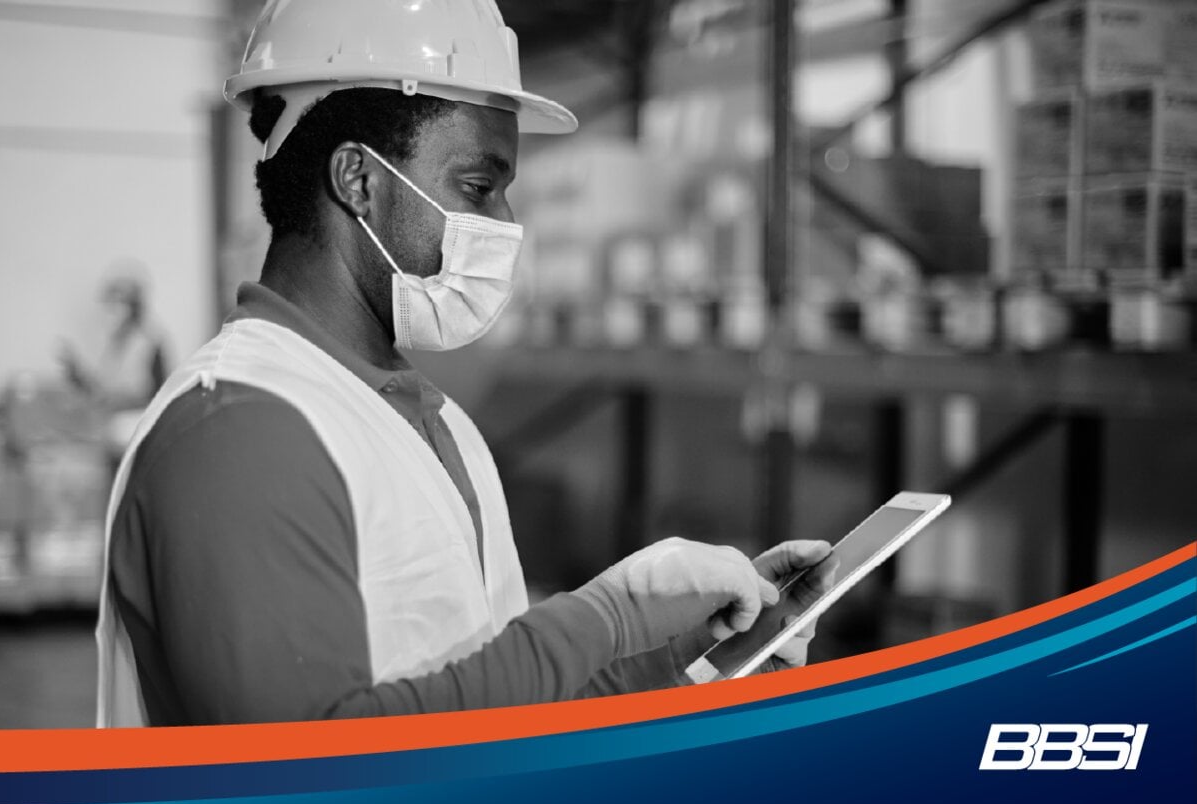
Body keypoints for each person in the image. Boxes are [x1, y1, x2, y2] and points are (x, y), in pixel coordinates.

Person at [95, 0, 834, 727]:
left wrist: (691, 657)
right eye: (479, 187)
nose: (505, 226)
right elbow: (306, 764)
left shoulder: (436, 426)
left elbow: (495, 703)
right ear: (358, 179)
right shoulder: (239, 434)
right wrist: (606, 615)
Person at [60, 267, 169, 412]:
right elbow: (100, 390)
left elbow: (157, 393)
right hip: (110, 417)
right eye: (109, 304)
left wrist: (122, 401)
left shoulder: (149, 343)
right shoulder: (112, 344)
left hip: (135, 419)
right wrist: (76, 374)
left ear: (133, 306)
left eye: (119, 303)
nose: (111, 310)